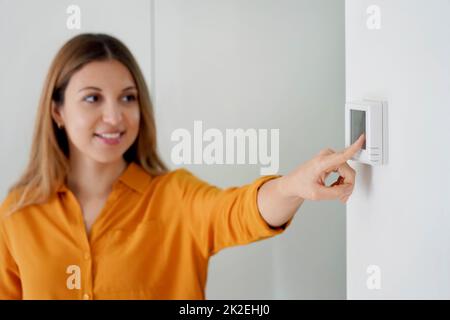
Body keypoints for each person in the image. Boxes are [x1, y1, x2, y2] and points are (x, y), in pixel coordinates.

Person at [0, 33, 365, 300]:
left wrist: (291, 186)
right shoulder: (18, 212)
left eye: (128, 98)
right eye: (92, 98)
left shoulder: (174, 196)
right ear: (57, 111)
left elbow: (234, 212)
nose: (114, 116)